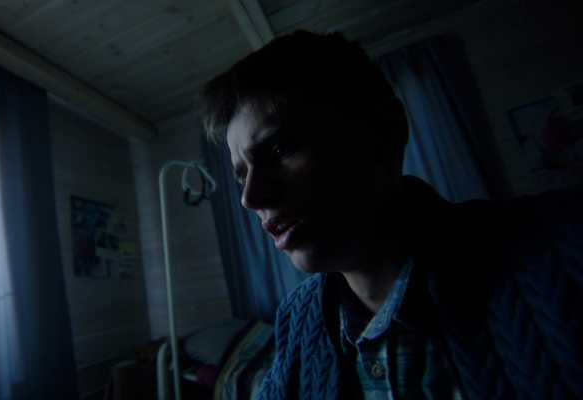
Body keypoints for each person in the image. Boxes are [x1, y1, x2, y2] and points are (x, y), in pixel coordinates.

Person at [200, 30, 583, 400]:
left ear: (385, 127)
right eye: (241, 175)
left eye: (281, 149)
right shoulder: (299, 318)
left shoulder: (562, 250)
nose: (250, 198)